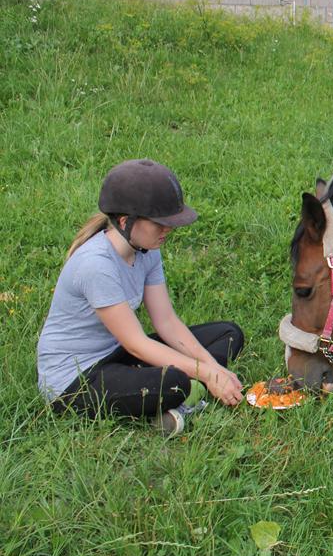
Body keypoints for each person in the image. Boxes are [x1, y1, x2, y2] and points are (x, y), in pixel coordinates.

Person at [36, 159, 246, 436]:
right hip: (75, 379)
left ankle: (181, 398)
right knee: (174, 382)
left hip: (117, 356)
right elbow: (136, 344)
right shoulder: (96, 265)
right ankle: (185, 398)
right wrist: (208, 373)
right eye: (160, 224)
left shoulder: (147, 249)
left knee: (229, 334)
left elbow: (167, 321)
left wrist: (208, 365)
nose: (168, 230)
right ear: (125, 221)